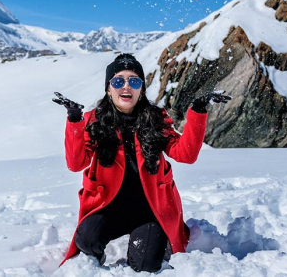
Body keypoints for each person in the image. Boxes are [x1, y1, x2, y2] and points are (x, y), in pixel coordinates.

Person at [52, 53, 230, 272]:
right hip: (108, 208)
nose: (126, 86)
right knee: (87, 241)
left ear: (141, 89)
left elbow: (185, 154)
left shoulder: (156, 119)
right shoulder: (94, 120)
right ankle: (90, 268)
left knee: (145, 264)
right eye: (118, 81)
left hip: (150, 210)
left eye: (134, 81)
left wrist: (198, 110)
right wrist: (75, 120)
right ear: (108, 89)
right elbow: (76, 163)